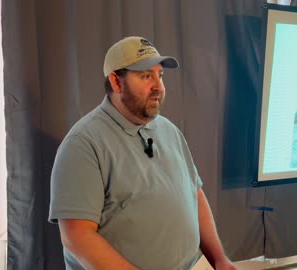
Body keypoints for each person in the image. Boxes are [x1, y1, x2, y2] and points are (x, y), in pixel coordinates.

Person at [49, 36, 236, 270]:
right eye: (146, 76)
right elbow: (77, 236)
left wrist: (219, 259)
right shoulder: (83, 144)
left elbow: (194, 195)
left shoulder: (169, 131)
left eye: (160, 75)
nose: (158, 86)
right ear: (116, 82)